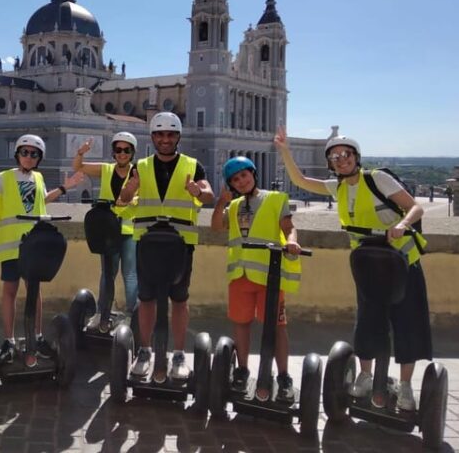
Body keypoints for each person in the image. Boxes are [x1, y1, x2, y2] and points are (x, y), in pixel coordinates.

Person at [274, 126, 431, 411]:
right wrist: (284, 151)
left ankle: (406, 386)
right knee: (368, 322)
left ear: (356, 157)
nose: (340, 160)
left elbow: (415, 207)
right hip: (370, 265)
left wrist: (401, 225)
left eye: (345, 155)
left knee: (407, 324)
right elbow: (301, 180)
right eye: (334, 157)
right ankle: (366, 375)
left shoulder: (377, 179)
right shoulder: (338, 188)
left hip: (403, 264)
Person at [0, 135, 84, 365]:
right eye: (24, 152)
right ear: (18, 154)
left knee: (34, 291)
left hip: (34, 244)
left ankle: (37, 336)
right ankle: (10, 339)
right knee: (10, 290)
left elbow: (42, 200)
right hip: (12, 245)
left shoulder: (39, 177)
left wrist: (66, 186)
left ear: (39, 158)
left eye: (34, 154)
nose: (28, 157)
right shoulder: (6, 177)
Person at [117, 112, 214, 382]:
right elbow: (123, 200)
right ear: (153, 137)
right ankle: (145, 351)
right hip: (147, 241)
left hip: (180, 243)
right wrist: (131, 187)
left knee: (179, 299)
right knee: (146, 299)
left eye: (170, 134)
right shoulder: (142, 166)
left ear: (178, 137)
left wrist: (197, 191)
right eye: (160, 134)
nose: (165, 139)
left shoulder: (193, 166)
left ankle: (180, 354)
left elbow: (208, 194)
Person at [209, 156, 302, 403]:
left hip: (269, 276)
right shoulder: (235, 205)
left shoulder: (274, 199)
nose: (241, 181)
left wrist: (292, 241)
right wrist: (221, 203)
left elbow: (288, 226)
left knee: (277, 326)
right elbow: (217, 227)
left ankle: (283, 375)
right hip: (240, 275)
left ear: (253, 174)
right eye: (235, 179)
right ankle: (242, 369)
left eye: (244, 175)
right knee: (241, 323)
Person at [73, 132, 139, 331]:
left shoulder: (138, 173)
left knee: (130, 274)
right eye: (118, 150)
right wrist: (80, 152)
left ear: (132, 152)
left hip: (128, 229)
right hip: (108, 229)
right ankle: (102, 313)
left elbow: (141, 198)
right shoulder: (106, 169)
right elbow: (78, 167)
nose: (122, 153)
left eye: (126, 150)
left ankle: (130, 315)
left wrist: (127, 202)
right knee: (107, 274)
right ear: (113, 152)